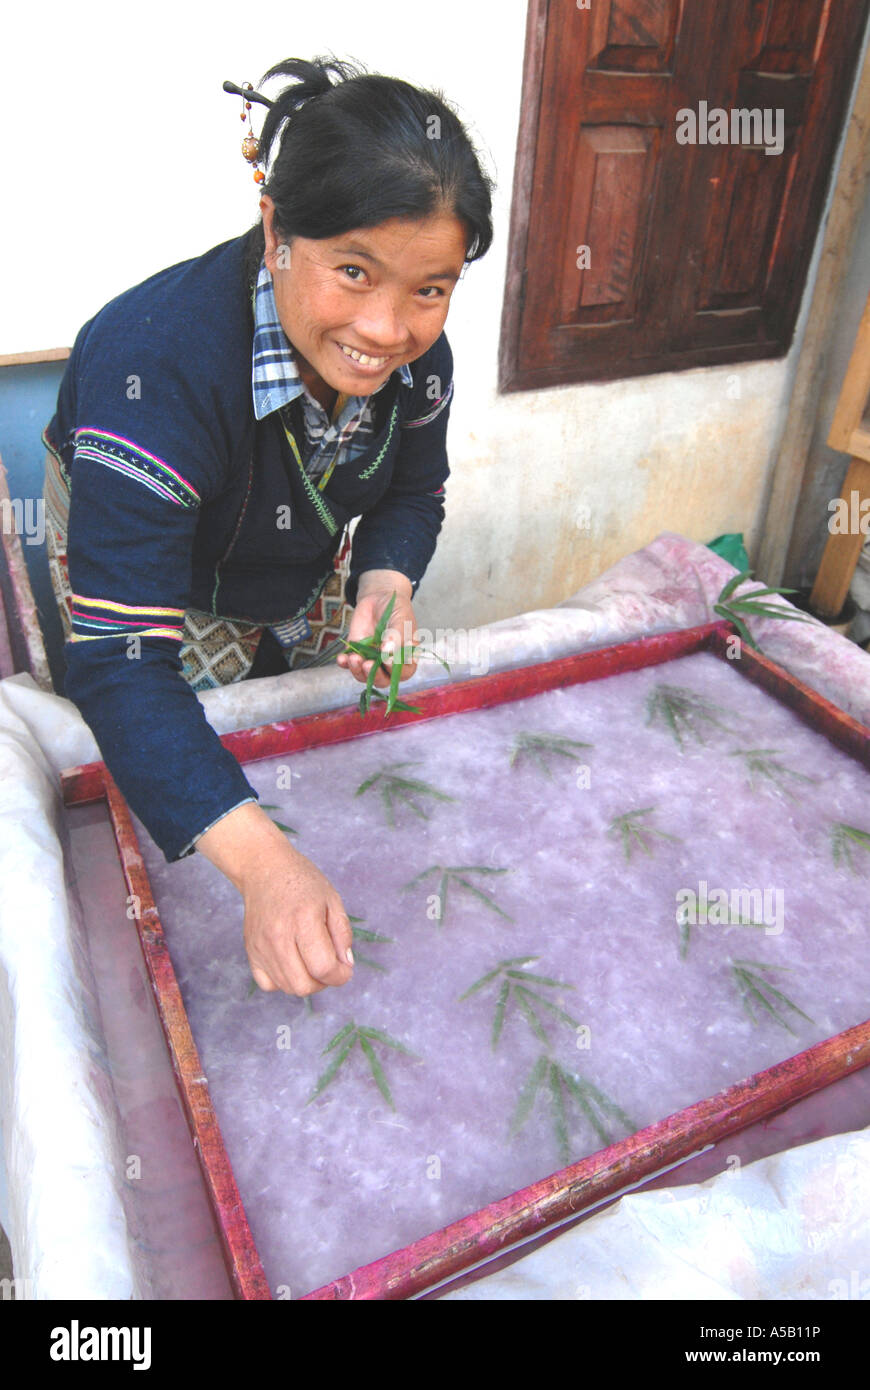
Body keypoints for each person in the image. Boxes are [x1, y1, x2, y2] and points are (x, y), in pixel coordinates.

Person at [42, 56, 493, 998]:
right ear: (279, 230)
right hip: (159, 579)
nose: (386, 328)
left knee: (292, 723)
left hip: (290, 541)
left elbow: (415, 491)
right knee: (176, 764)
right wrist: (264, 867)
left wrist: (384, 582)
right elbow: (122, 659)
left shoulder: (418, 356)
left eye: (430, 288)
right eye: (354, 271)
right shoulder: (153, 369)